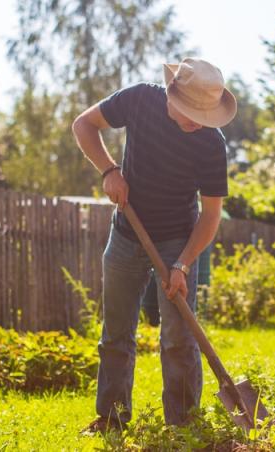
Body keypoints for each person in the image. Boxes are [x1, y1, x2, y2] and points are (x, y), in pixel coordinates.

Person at [71, 57, 236, 432]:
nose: (199, 120)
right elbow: (84, 124)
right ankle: (111, 418)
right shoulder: (140, 100)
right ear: (173, 95)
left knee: (178, 336)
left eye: (206, 113)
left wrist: (182, 264)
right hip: (127, 232)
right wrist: (110, 171)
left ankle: (183, 423)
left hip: (178, 239)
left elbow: (210, 216)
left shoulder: (211, 142)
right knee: (116, 332)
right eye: (194, 110)